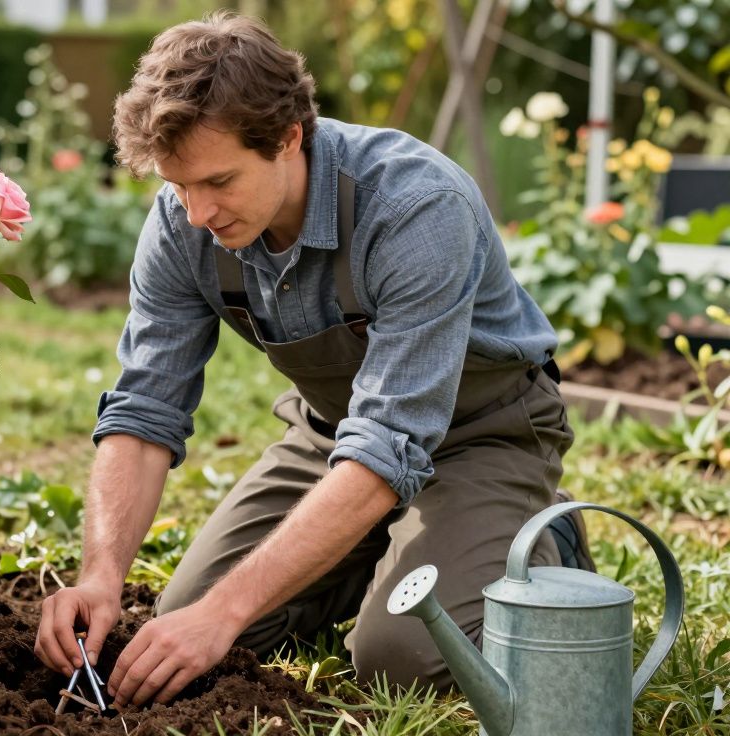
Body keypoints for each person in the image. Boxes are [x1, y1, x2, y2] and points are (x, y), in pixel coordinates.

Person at [32, 11, 594, 710]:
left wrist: (227, 611)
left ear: (289, 137)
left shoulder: (416, 208)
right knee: (186, 620)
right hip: (333, 435)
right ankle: (389, 550)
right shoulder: (183, 222)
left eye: (218, 182)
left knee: (401, 656)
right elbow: (145, 410)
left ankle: (542, 539)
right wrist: (101, 575)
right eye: (179, 187)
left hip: (482, 434)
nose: (197, 212)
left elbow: (390, 441)